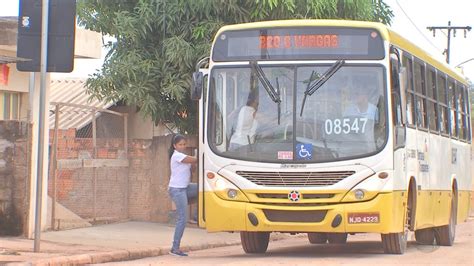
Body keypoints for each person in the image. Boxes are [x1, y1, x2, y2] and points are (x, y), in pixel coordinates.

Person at [168, 134, 198, 257]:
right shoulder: (177, 156)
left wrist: (193, 166)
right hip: (177, 190)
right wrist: (198, 155)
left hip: (185, 188)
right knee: (182, 219)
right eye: (180, 144)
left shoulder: (184, 157)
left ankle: (196, 216)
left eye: (184, 144)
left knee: (203, 190)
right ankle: (175, 248)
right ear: (175, 146)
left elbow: (193, 169)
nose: (182, 146)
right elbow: (195, 159)